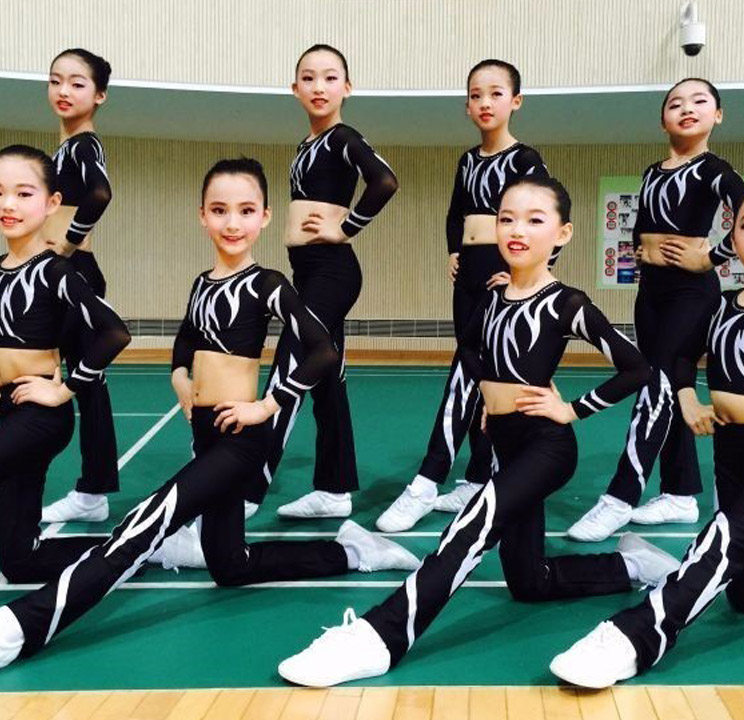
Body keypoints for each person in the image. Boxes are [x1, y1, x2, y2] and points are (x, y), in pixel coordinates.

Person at [0, 157, 418, 668]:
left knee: (147, 521)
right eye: (219, 210)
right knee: (230, 565)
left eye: (246, 210)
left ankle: (25, 625)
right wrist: (181, 379)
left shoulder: (267, 283)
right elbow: (184, 346)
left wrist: (267, 404)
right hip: (206, 435)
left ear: (265, 217)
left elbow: (322, 351)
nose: (232, 222)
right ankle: (355, 552)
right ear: (202, 216)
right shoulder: (202, 283)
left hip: (240, 440)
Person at [276, 176, 680, 688]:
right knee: (530, 581)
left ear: (562, 233)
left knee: (473, 524)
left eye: (534, 220)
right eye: (506, 218)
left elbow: (637, 368)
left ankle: (382, 635)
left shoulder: (567, 303)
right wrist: (491, 396)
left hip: (547, 447)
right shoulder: (493, 295)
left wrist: (572, 409)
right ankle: (631, 566)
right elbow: (468, 349)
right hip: (505, 443)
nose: (517, 230)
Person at [551, 192, 744, 688]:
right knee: (742, 593)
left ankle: (635, 635)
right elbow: (680, 358)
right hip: (731, 455)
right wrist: (687, 399)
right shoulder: (722, 306)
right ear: (732, 238)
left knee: (723, 543)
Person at [376, 59, 555, 534]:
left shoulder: (525, 160)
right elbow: (456, 212)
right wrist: (454, 250)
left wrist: (526, 275)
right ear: (467, 106)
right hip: (469, 277)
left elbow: (549, 214)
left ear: (516, 101)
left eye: (496, 93)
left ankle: (427, 479)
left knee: (465, 371)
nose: (485, 103)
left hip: (502, 275)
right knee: (477, 377)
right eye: (476, 95)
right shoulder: (468, 160)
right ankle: (478, 477)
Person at [568, 78, 744, 542]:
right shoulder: (652, 172)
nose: (687, 108)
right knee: (667, 388)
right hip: (651, 293)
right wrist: (640, 252)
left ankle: (620, 496)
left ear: (718, 115)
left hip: (692, 293)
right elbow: (646, 223)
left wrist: (711, 257)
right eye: (675, 103)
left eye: (700, 101)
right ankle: (680, 493)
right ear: (662, 119)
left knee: (655, 383)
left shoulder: (714, 169)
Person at [243, 44, 398, 521]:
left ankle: (249, 486)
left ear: (346, 88)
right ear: (295, 89)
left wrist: (345, 228)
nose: (319, 87)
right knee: (327, 378)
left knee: (291, 362)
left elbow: (385, 181)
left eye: (330, 78)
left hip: (333, 270)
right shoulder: (305, 146)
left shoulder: (342, 137)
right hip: (309, 271)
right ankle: (334, 490)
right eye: (308, 78)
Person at [0, 144, 129, 583]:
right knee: (19, 562)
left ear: (52, 203)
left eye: (23, 193)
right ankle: (133, 545)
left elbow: (114, 332)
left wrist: (65, 389)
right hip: (5, 411)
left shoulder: (55, 271)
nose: (9, 204)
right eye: (1, 193)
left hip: (36, 413)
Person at [40, 48, 120, 524]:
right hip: (65, 276)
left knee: (85, 384)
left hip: (77, 274)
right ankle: (92, 490)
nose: (63, 91)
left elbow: (100, 194)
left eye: (77, 83)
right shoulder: (66, 148)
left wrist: (68, 243)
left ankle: (93, 493)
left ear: (99, 95)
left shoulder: (84, 145)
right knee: (77, 381)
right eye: (56, 81)